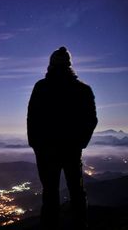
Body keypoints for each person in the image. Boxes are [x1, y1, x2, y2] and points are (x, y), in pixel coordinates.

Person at [27, 46, 97, 230]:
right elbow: (91, 120)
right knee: (77, 192)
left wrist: (36, 145)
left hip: (46, 151)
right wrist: (80, 143)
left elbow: (32, 118)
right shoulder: (83, 89)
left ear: (50, 64)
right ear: (69, 65)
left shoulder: (41, 87)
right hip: (72, 150)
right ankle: (81, 226)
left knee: (50, 194)